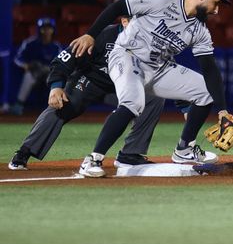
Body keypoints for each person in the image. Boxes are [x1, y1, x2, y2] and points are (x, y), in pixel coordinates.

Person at [69, 0, 233, 177]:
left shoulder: (200, 31)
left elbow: (209, 69)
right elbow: (118, 7)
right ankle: (93, 159)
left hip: (158, 67)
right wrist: (90, 34)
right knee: (133, 102)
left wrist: (222, 111)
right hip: (127, 55)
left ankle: (184, 149)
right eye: (216, 2)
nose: (216, 10)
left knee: (204, 91)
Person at [7, 17, 190, 170]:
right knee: (62, 104)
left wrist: (186, 108)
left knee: (154, 97)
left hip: (122, 87)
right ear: (125, 21)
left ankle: (130, 154)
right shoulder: (102, 34)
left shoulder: (151, 41)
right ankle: (24, 152)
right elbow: (65, 59)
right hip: (91, 81)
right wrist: (56, 86)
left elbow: (165, 74)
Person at [9, 18, 62, 116]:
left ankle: (58, 106)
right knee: (28, 76)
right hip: (35, 72)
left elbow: (62, 63)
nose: (46, 31)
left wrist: (51, 69)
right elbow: (18, 59)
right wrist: (26, 65)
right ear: (39, 30)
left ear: (53, 30)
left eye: (49, 28)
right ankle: (19, 105)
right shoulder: (30, 43)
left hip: (49, 73)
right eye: (43, 29)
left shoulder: (56, 46)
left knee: (58, 77)